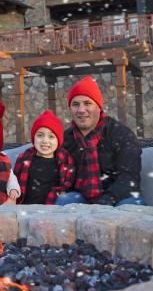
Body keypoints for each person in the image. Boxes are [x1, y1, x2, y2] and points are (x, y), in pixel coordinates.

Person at [56, 76, 144, 206]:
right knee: (66, 201)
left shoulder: (121, 134)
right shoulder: (65, 140)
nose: (81, 110)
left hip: (119, 197)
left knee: (133, 205)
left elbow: (129, 178)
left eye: (87, 103)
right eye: (75, 104)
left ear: (98, 107)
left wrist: (105, 202)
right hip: (82, 199)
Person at [14, 110, 75, 205]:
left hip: (51, 210)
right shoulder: (25, 158)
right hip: (25, 208)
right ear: (33, 138)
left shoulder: (64, 161)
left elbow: (67, 184)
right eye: (40, 135)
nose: (45, 141)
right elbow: (15, 182)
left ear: (58, 140)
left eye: (51, 137)